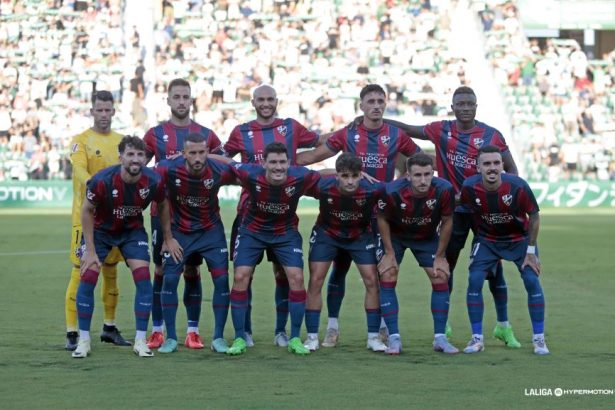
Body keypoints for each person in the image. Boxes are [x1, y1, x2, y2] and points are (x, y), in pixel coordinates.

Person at [386, 86, 521, 347]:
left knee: (494, 270)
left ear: (476, 106)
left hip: (485, 211)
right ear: (453, 106)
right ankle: (443, 324)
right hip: (454, 212)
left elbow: (511, 168)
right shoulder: (441, 129)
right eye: (461, 103)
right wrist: (379, 121)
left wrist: (507, 197)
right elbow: (410, 129)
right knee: (446, 266)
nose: (466, 107)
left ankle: (503, 326)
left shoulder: (491, 135)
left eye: (470, 103)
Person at [296, 83, 422, 347]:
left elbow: (419, 162)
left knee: (380, 275)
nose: (376, 105)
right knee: (337, 273)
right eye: (371, 101)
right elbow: (313, 157)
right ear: (361, 105)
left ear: (385, 105)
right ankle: (332, 326)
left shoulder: (396, 135)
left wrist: (399, 182)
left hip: (378, 216)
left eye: (380, 101)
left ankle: (382, 329)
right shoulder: (348, 134)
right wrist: (278, 163)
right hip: (342, 213)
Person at [223, 84, 326, 348]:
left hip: (284, 221)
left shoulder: (290, 127)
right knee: (244, 276)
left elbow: (320, 144)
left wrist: (347, 137)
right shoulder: (241, 132)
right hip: (249, 216)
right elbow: (223, 161)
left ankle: (284, 332)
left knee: (286, 276)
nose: (266, 103)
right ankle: (243, 333)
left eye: (270, 99)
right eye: (261, 99)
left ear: (276, 101)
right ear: (253, 102)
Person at [219, 142, 320, 356]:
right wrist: (195, 156)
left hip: (285, 233)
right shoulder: (250, 173)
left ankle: (292, 337)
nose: (278, 167)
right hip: (252, 232)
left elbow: (325, 174)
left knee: (296, 278)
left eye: (282, 162)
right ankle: (239, 337)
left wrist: (350, 174)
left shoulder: (300, 176)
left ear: (289, 163)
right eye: (273, 162)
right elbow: (228, 161)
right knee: (240, 276)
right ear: (263, 163)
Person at [143, 78, 223, 350]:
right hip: (164, 214)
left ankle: (193, 331)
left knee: (192, 268)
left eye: (185, 96)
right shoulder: (155, 134)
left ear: (191, 100)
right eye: (176, 96)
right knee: (162, 268)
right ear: (168, 100)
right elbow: (141, 171)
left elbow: (223, 162)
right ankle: (158, 330)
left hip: (199, 217)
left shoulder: (207, 134)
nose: (180, 101)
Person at [72, 136, 165, 358]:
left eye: (140, 155)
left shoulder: (154, 180)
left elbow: (162, 205)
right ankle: (83, 341)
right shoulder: (102, 180)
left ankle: (141, 340)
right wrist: (91, 251)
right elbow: (87, 211)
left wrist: (168, 237)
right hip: (101, 232)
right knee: (88, 277)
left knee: (144, 279)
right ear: (121, 156)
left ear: (145, 158)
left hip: (132, 232)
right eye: (130, 154)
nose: (135, 159)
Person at [459, 145, 548, 355]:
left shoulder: (517, 186)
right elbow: (465, 210)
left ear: (502, 165)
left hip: (519, 240)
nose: (492, 168)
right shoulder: (469, 187)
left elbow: (534, 216)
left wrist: (531, 250)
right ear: (478, 167)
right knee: (474, 280)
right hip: (487, 240)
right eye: (487, 164)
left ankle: (539, 339)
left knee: (531, 280)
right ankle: (477, 338)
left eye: (496, 163)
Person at [154, 133, 235, 354]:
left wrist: (232, 162)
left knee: (222, 281)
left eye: (202, 152)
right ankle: (171, 338)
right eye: (193, 153)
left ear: (208, 152)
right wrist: (167, 238)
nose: (198, 157)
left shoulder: (219, 170)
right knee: (169, 279)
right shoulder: (168, 169)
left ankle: (218, 337)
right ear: (183, 154)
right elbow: (157, 199)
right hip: (180, 233)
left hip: (211, 232)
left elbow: (249, 176)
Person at [64, 90, 129, 351]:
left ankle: (109, 327)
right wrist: (94, 183)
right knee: (81, 271)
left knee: (112, 273)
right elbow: (78, 169)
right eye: (99, 110)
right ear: (92, 111)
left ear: (113, 111)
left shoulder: (122, 141)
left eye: (107, 110)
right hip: (86, 217)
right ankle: (72, 333)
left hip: (115, 218)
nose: (103, 114)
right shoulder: (81, 141)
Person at [303, 153, 387, 353]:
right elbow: (303, 176)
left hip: (359, 236)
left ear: (361, 175)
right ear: (337, 175)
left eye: (355, 176)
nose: (350, 181)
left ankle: (373, 337)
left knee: (371, 281)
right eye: (345, 176)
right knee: (315, 280)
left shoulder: (373, 189)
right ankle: (312, 336)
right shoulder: (322, 186)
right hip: (327, 235)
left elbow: (401, 191)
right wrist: (331, 171)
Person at [377, 153, 458, 355]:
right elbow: (382, 219)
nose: (423, 180)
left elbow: (448, 221)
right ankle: (394, 338)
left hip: (426, 237)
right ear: (408, 175)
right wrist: (388, 252)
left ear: (433, 173)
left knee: (440, 276)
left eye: (427, 174)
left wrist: (440, 255)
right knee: (388, 273)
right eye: (418, 175)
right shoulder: (392, 190)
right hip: (396, 236)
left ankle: (440, 338)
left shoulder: (444, 189)